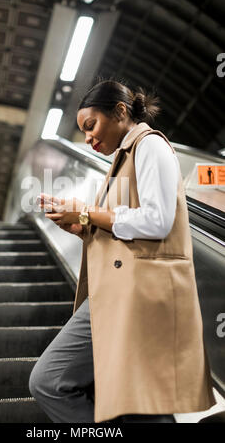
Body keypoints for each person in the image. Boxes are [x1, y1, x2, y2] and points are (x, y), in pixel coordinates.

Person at [28, 80, 216, 423]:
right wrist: (81, 225)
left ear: (120, 111)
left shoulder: (150, 146)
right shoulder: (122, 161)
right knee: (133, 405)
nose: (87, 138)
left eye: (91, 126)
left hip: (138, 293)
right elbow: (125, 224)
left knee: (55, 381)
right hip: (120, 292)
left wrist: (86, 213)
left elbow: (158, 222)